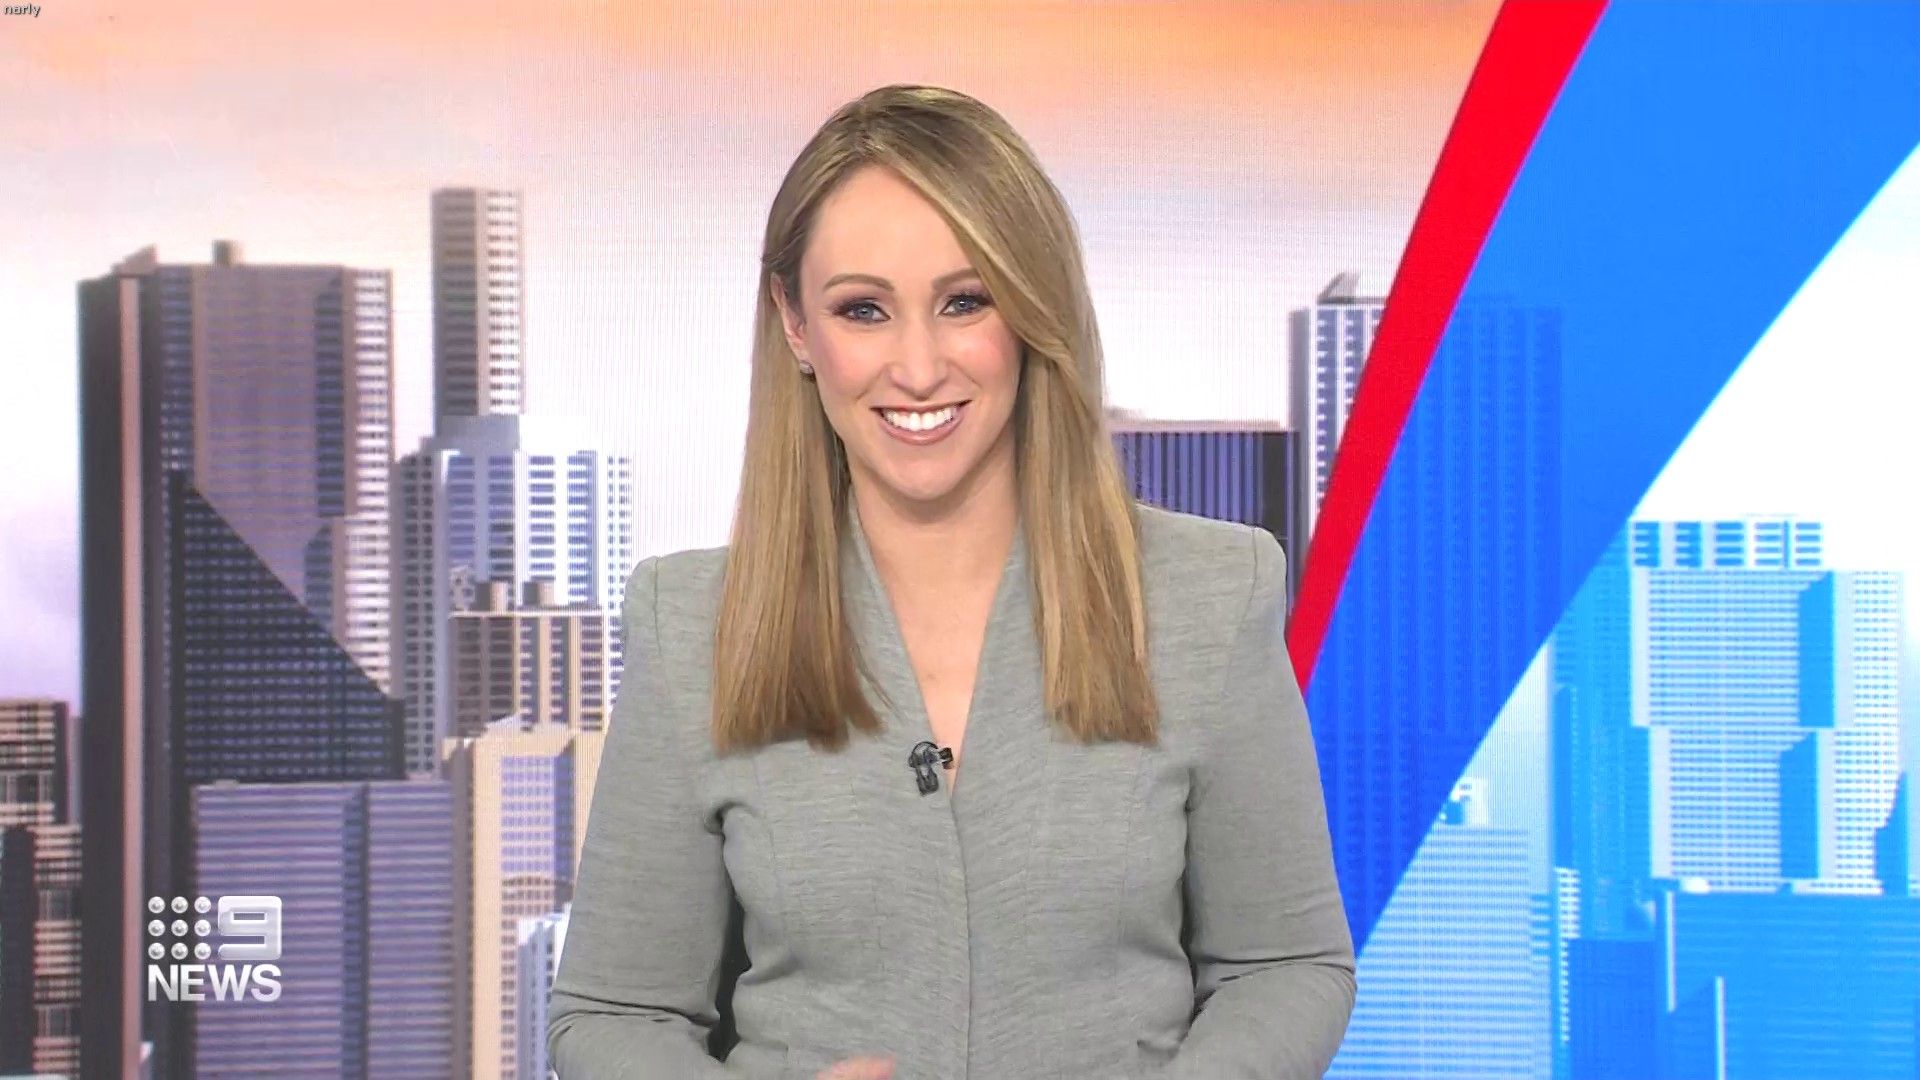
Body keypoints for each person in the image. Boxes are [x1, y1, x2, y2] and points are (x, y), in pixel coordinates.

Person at [547, 83, 1355, 1080]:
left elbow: (1285, 968)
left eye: (965, 302)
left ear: (1032, 310)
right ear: (796, 327)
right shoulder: (690, 628)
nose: (919, 367)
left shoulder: (1212, 595)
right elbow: (614, 1013)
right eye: (863, 310)